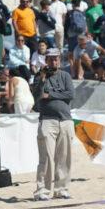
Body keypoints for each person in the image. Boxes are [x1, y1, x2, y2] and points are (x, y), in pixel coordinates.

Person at [32, 48, 75, 200]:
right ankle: (41, 190)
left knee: (64, 157)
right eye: (50, 59)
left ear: (59, 59)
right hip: (47, 119)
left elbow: (70, 94)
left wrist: (50, 95)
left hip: (65, 119)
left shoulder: (65, 75)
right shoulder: (40, 76)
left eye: (56, 58)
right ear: (46, 60)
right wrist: (42, 79)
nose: (53, 61)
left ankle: (61, 189)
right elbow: (37, 96)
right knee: (46, 157)